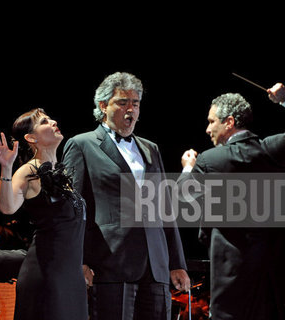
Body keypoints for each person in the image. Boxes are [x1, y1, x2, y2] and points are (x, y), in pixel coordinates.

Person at [180, 82, 285, 319]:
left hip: (229, 283)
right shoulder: (274, 150)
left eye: (211, 121)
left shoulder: (210, 161)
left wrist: (188, 168)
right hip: (273, 281)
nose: (207, 129)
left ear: (229, 122)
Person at [61, 72, 190, 320]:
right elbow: (73, 210)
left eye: (136, 103)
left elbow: (164, 207)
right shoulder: (82, 144)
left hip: (156, 264)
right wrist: (80, 260)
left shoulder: (150, 148)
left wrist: (176, 262)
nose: (130, 109)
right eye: (122, 102)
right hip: (110, 263)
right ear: (103, 106)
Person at [0, 108, 88, 320]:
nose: (53, 122)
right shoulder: (28, 171)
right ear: (31, 137)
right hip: (47, 276)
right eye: (44, 121)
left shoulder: (62, 173)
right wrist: (6, 168)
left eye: (51, 118)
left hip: (71, 279)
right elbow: (8, 207)